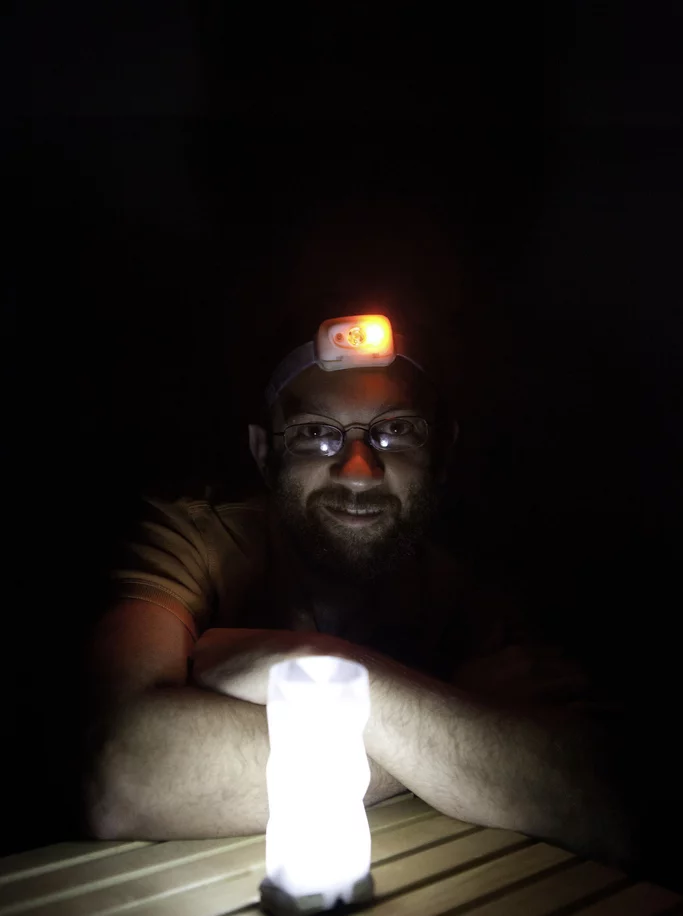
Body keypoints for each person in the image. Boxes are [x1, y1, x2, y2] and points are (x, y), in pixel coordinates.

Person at [82, 311, 639, 873]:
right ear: (262, 451)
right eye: (313, 434)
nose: (358, 471)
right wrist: (456, 714)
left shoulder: (470, 578)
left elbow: (610, 798)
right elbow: (121, 775)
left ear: (441, 451)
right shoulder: (192, 538)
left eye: (396, 430)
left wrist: (318, 667)